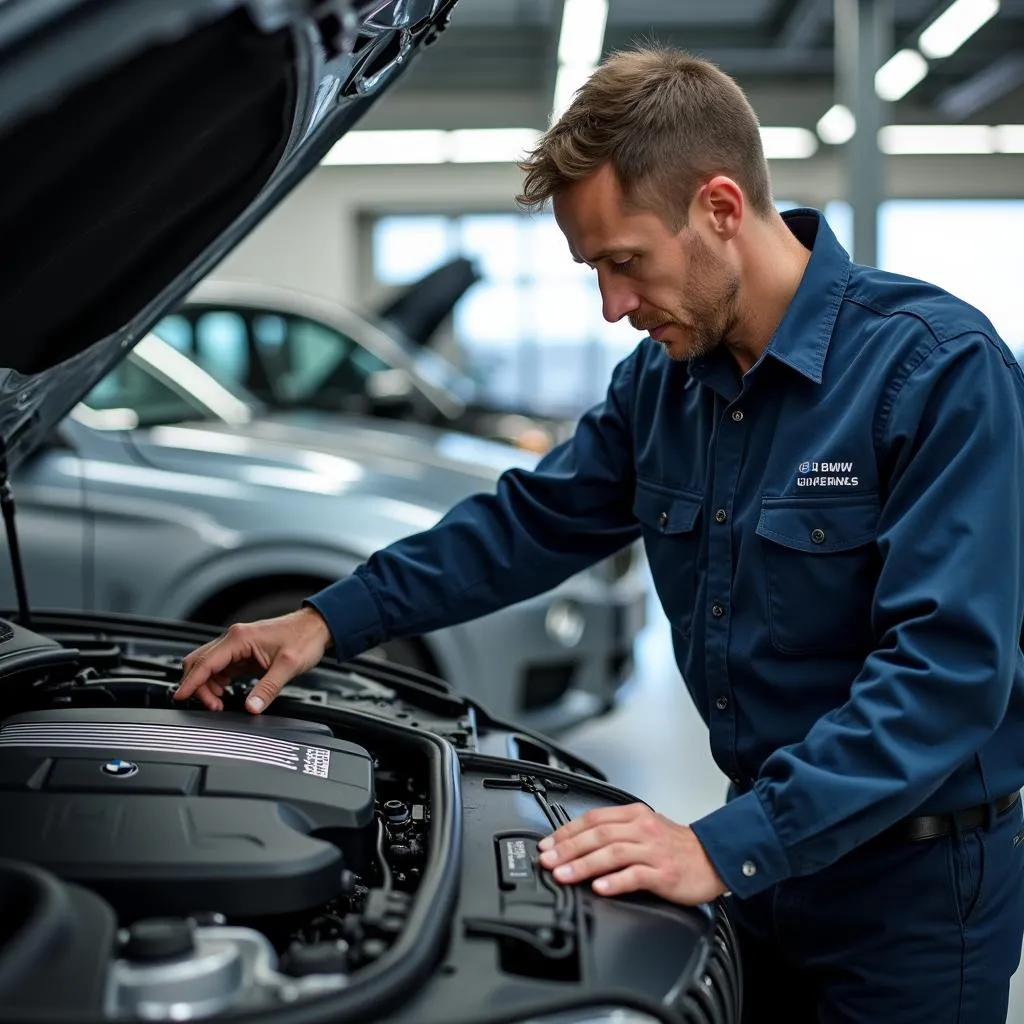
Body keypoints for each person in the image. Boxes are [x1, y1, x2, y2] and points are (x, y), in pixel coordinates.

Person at [174, 45, 1024, 1023]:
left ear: (717, 208)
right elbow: (528, 521)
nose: (612, 307)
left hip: (909, 890)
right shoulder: (664, 384)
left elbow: (944, 673)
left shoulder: (934, 370)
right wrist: (325, 620)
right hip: (762, 853)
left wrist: (719, 845)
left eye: (625, 263)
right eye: (593, 271)